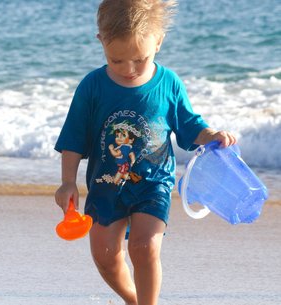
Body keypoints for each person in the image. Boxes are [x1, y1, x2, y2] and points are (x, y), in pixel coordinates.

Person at [53, 0, 237, 304]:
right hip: (106, 183)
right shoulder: (92, 87)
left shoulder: (168, 84)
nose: (128, 69)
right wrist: (68, 181)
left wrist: (211, 136)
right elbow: (73, 137)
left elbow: (190, 126)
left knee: (144, 247)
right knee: (105, 256)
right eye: (116, 60)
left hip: (153, 183)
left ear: (159, 41)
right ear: (101, 42)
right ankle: (132, 298)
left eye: (140, 59)